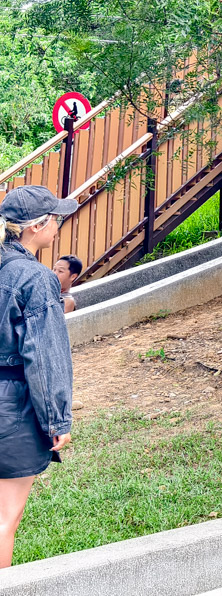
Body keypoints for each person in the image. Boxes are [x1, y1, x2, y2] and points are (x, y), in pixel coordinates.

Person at [0, 185, 77, 568]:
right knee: (3, 518)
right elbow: (45, 358)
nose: (58, 227)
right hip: (9, 407)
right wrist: (56, 419)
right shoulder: (36, 278)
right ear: (36, 226)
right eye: (56, 219)